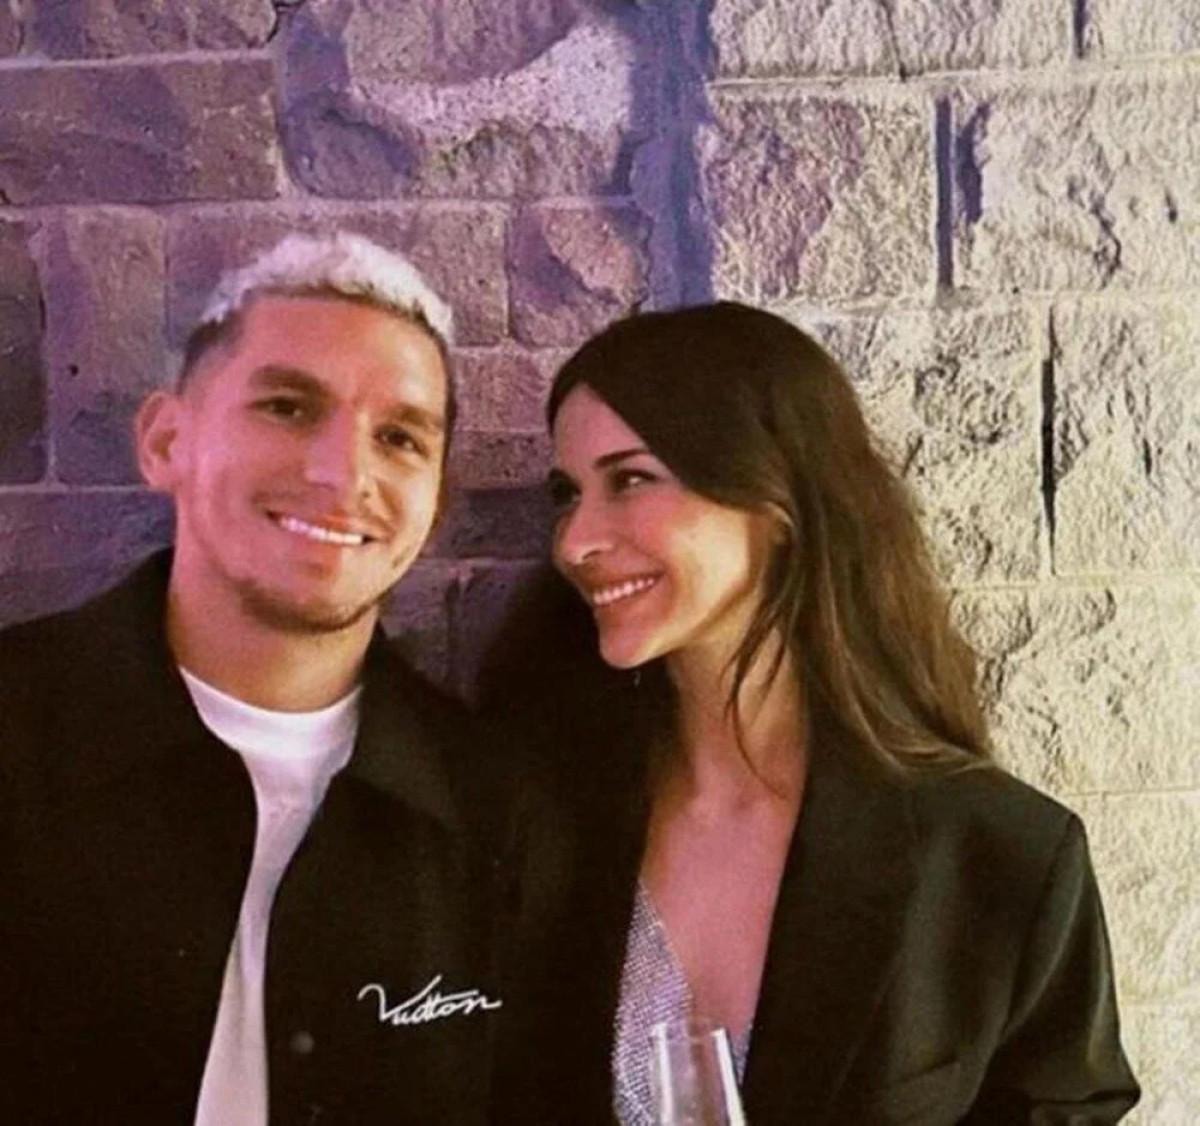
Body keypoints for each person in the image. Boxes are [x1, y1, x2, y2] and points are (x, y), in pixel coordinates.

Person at [485, 302, 1140, 1124]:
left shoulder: (999, 857)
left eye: (632, 479)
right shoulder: (522, 818)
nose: (575, 541)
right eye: (568, 493)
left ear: (777, 500)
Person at [0, 233, 513, 1125]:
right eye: (287, 407)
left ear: (434, 501)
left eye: (399, 438)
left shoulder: (500, 813)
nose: (342, 473)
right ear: (167, 441)